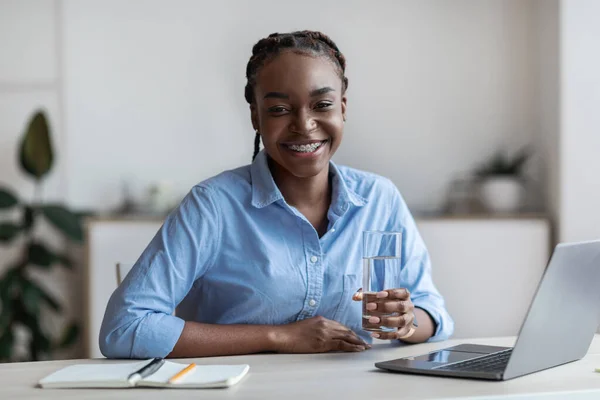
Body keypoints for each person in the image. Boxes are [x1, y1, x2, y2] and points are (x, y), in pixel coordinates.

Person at [99, 30, 453, 359]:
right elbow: (125, 327)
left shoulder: (380, 198)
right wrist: (279, 336)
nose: (304, 124)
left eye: (322, 105)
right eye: (280, 110)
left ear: (342, 107)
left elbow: (434, 314)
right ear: (256, 116)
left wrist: (406, 322)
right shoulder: (213, 207)